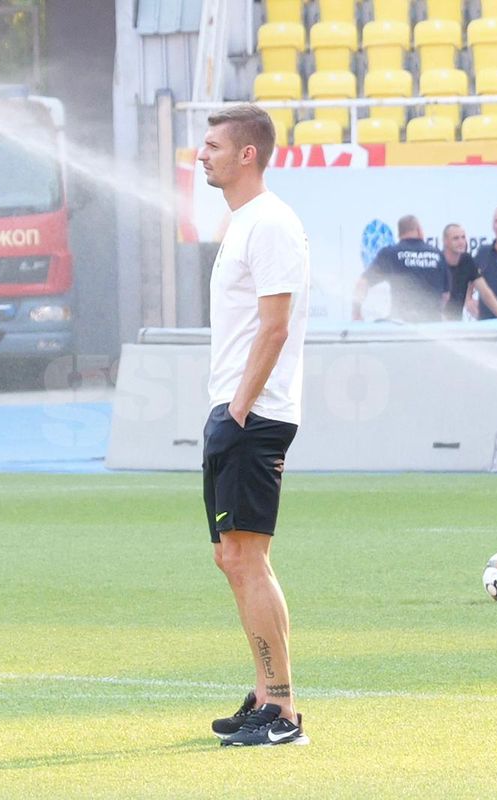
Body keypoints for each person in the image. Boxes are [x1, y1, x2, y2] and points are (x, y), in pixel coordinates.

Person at [197, 103, 310, 748]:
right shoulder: (242, 223)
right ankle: (266, 694)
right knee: (230, 556)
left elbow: (275, 326)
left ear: (246, 154)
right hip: (235, 409)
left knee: (247, 556)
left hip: (255, 414)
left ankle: (285, 711)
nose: (202, 155)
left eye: (212, 145)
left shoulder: (270, 223)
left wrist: (237, 412)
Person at [351, 215, 447, 323]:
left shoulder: (390, 254)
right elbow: (445, 295)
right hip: (432, 326)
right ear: (419, 230)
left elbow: (362, 284)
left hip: (402, 328)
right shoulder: (437, 254)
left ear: (399, 233)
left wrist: (356, 313)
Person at [440, 223, 497, 321]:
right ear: (445, 241)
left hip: (456, 324)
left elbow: (485, 292)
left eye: (463, 237)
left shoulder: (467, 260)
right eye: (456, 238)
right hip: (436, 325)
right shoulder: (438, 262)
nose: (461, 242)